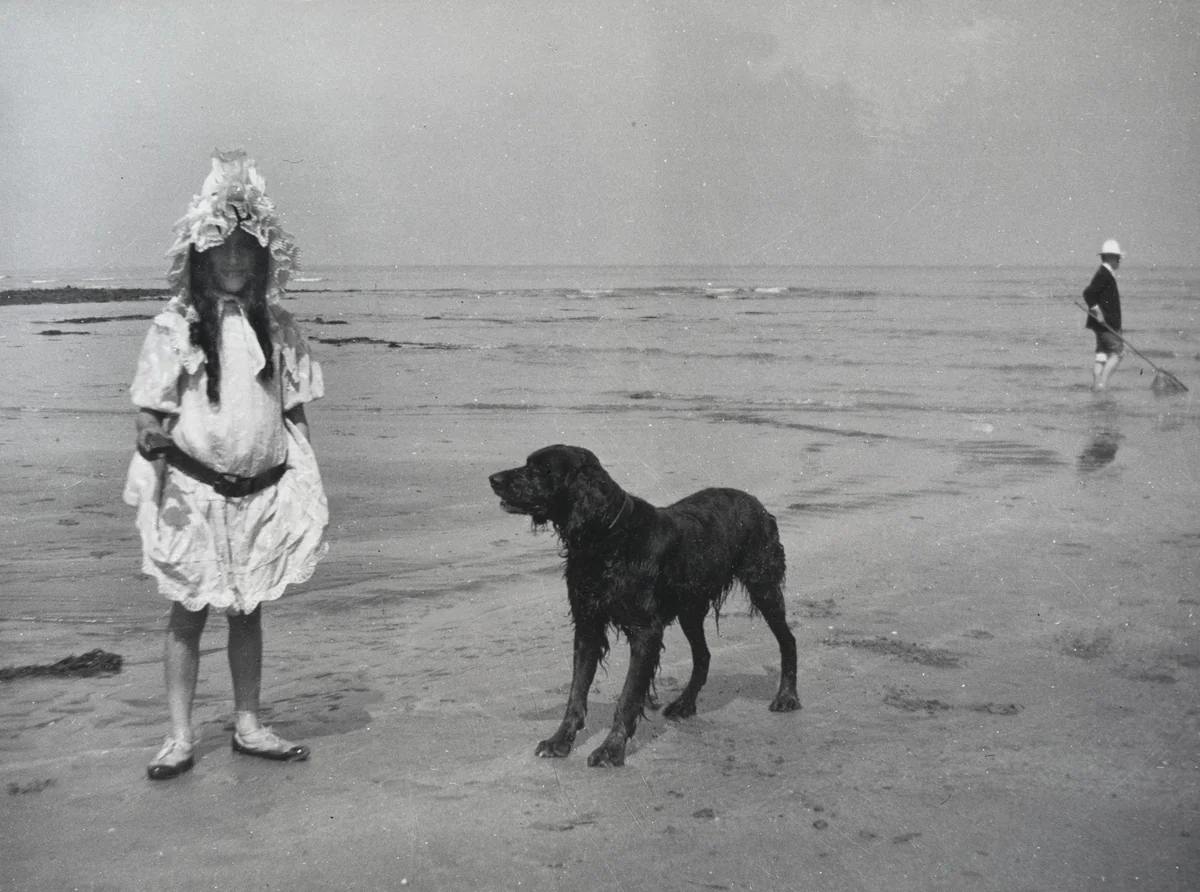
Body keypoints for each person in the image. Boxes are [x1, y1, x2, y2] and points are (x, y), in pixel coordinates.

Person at [123, 149, 329, 780]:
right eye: (222, 249)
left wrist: (306, 483)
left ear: (264, 256)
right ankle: (180, 735)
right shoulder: (177, 326)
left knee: (247, 609)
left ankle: (247, 723)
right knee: (188, 609)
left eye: (246, 248)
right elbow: (149, 414)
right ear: (201, 255)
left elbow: (293, 415)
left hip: (260, 493)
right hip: (194, 492)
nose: (234, 260)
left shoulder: (280, 327)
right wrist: (152, 439)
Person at [1083, 238, 1125, 391]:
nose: (1120, 261)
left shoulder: (1105, 273)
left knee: (1102, 354)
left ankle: (1096, 386)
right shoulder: (1104, 274)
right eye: (1118, 258)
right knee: (1118, 352)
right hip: (1106, 324)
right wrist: (1096, 310)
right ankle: (1102, 383)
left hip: (1100, 325)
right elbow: (1088, 293)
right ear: (1111, 257)